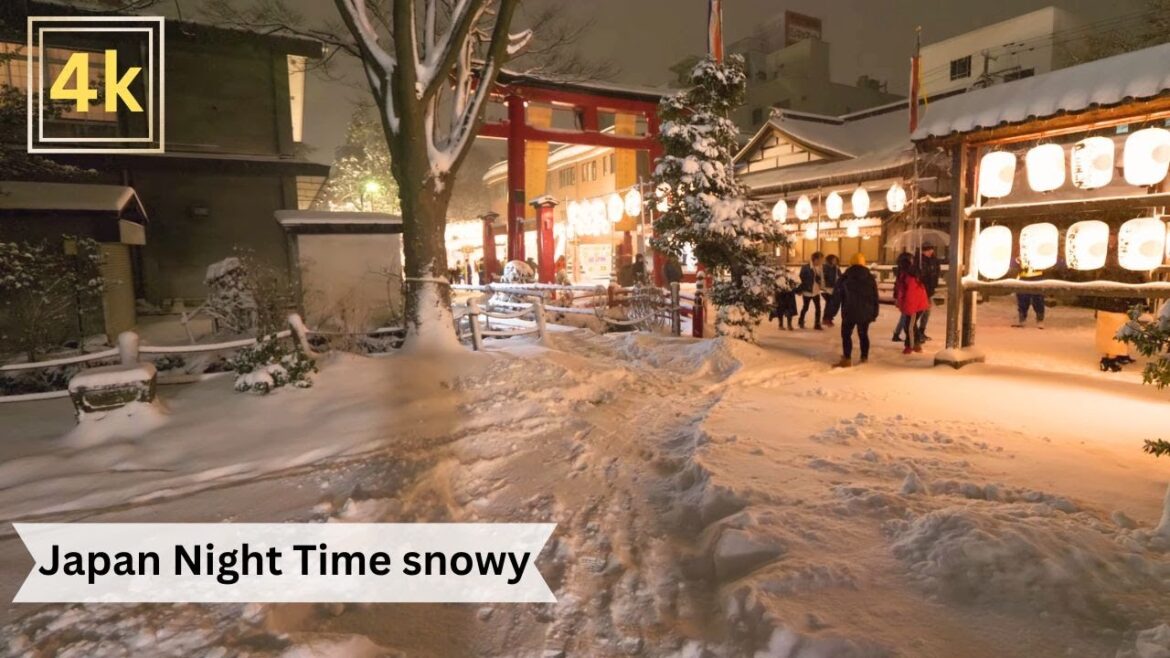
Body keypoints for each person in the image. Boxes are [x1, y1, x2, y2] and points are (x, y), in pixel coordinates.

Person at [833, 253, 879, 367]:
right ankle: (864, 357)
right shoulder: (869, 278)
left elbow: (837, 296)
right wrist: (874, 313)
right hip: (865, 312)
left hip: (849, 311)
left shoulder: (845, 277)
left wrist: (829, 314)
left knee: (846, 334)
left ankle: (847, 358)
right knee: (863, 334)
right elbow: (875, 297)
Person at [894, 252, 930, 354]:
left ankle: (910, 346)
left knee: (909, 326)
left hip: (915, 306)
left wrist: (907, 308)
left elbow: (911, 295)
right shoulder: (905, 275)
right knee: (911, 325)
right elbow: (900, 290)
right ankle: (916, 344)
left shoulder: (910, 277)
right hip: (913, 305)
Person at [914, 243, 941, 342]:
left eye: (931, 250)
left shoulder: (934, 260)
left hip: (930, 290)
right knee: (919, 311)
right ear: (923, 251)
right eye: (928, 250)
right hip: (922, 289)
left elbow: (936, 272)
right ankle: (914, 330)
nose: (931, 252)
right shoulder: (919, 261)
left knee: (927, 312)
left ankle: (921, 331)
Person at [1012, 259, 1046, 329]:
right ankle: (1022, 320)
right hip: (1023, 275)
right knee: (1023, 298)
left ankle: (1040, 320)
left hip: (1037, 274)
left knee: (1038, 299)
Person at [798, 252, 825, 330]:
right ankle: (801, 321)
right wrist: (802, 288)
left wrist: (822, 286)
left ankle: (817, 324)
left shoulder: (820, 267)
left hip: (816, 291)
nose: (822, 261)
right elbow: (801, 278)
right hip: (807, 291)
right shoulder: (806, 267)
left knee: (818, 308)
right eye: (821, 259)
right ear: (816, 259)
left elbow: (822, 278)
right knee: (805, 307)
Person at [821, 254, 842, 328]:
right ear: (830, 260)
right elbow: (824, 278)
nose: (835, 261)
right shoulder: (825, 267)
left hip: (834, 289)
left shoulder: (836, 268)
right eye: (834, 260)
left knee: (831, 304)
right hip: (827, 289)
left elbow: (841, 276)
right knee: (830, 304)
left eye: (836, 260)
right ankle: (827, 319)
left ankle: (827, 318)